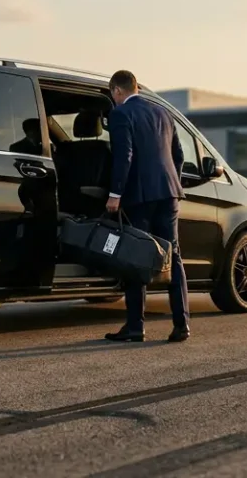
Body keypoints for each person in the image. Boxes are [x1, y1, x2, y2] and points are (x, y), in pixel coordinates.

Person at [103, 70, 190, 343]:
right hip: (169, 194)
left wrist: (115, 194)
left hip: (139, 197)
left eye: (112, 95)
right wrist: (169, 183)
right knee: (173, 256)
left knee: (136, 257)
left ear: (117, 91)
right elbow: (179, 155)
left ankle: (135, 326)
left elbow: (124, 156)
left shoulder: (120, 115)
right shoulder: (163, 113)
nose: (113, 99)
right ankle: (181, 325)